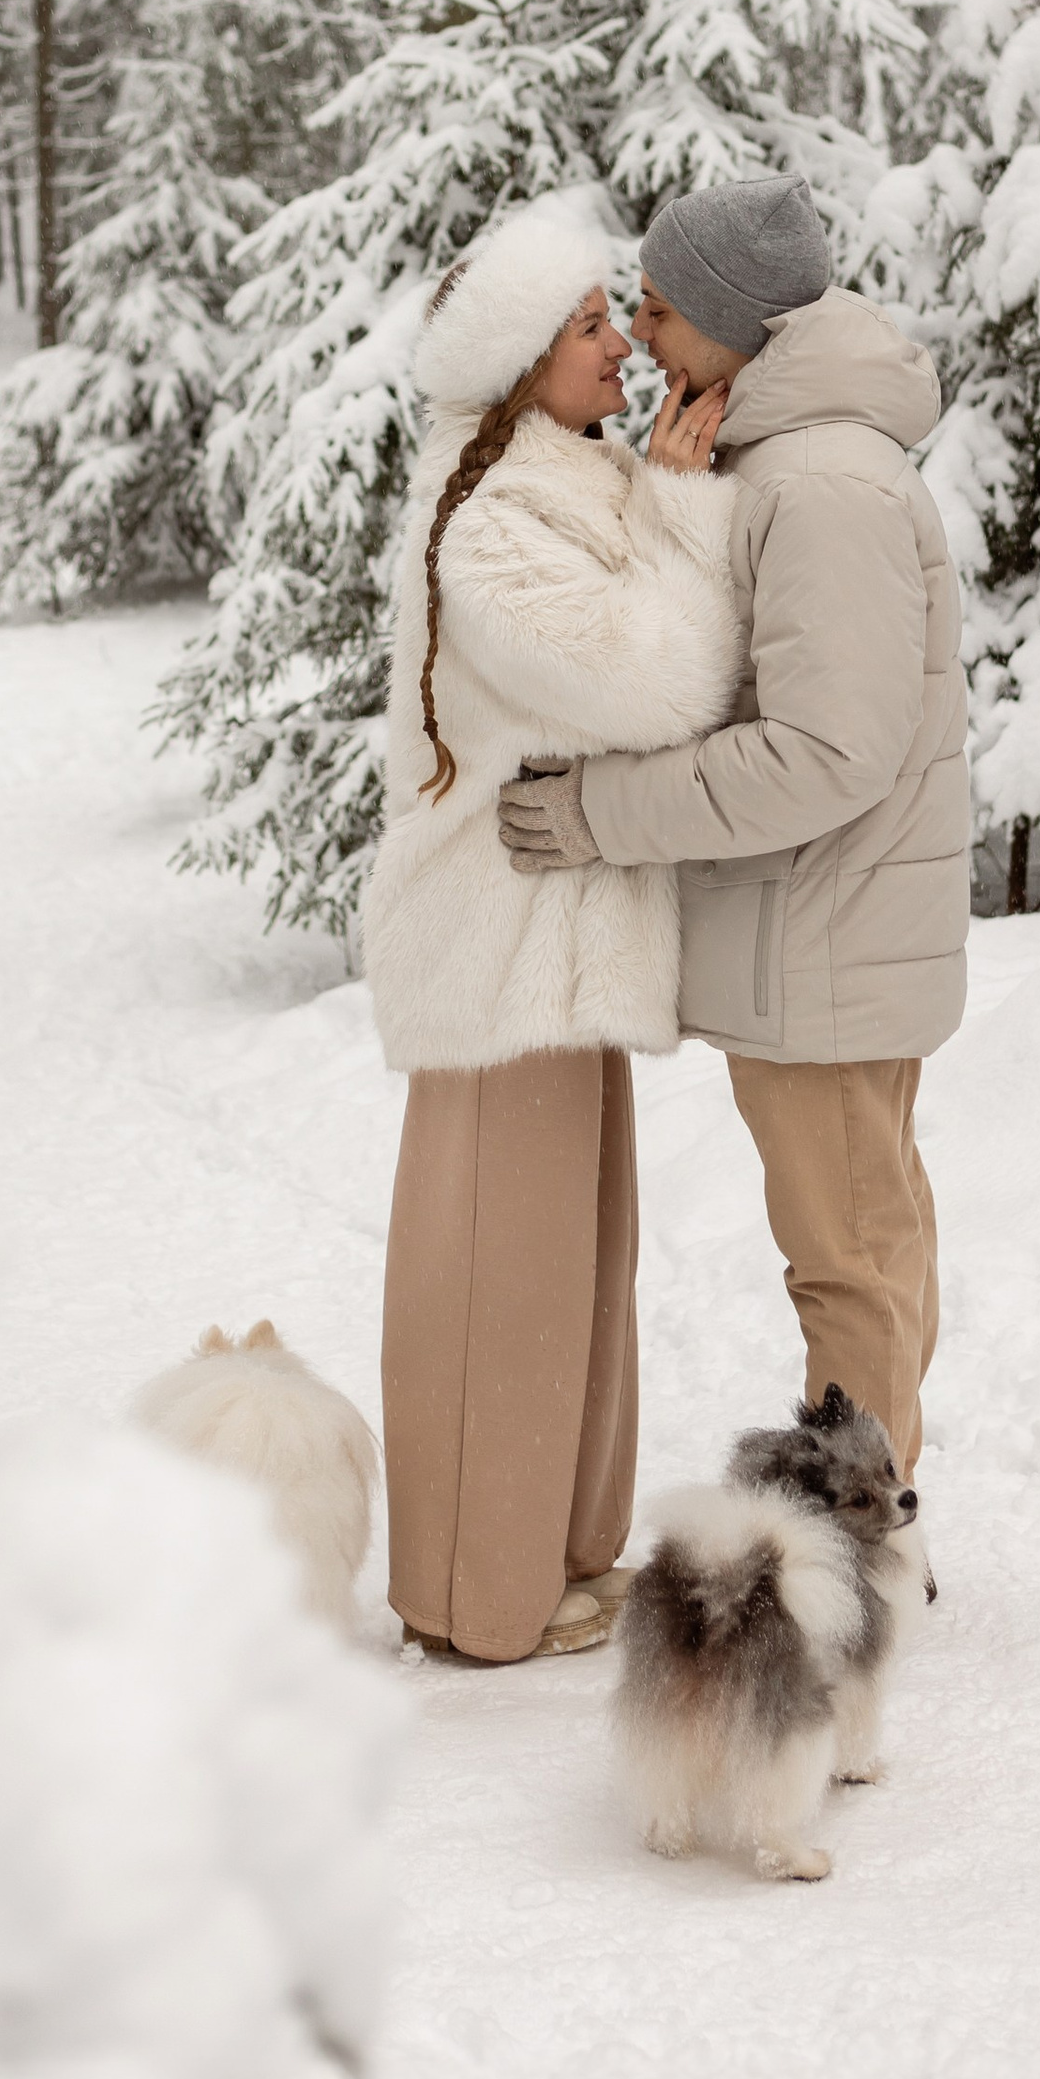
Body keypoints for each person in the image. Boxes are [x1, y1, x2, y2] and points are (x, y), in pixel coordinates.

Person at [498, 174, 967, 1481]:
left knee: (849, 1261)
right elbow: (731, 672)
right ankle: (867, 1522)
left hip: (822, 935)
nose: (640, 334)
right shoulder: (774, 462)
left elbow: (824, 752)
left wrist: (595, 815)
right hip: (822, 932)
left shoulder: (819, 485)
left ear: (733, 321)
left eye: (658, 307)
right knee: (870, 1239)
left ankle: (844, 1558)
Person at [363, 188, 742, 1664]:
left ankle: (560, 1552)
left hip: (564, 945)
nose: (619, 345)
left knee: (578, 1275)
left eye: (610, 316)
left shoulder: (562, 483)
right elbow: (658, 685)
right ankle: (472, 1590)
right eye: (589, 325)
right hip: (506, 952)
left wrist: (656, 495)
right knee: (496, 1288)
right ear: (522, 359)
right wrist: (688, 512)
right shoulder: (496, 525)